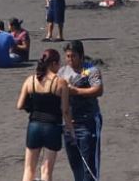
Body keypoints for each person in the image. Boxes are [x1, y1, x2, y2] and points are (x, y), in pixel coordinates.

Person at [16, 49, 73, 181]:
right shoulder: (60, 82)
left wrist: (31, 105)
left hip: (34, 126)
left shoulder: (30, 80)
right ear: (53, 64)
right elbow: (65, 110)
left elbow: (19, 105)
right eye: (58, 64)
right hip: (52, 127)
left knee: (29, 169)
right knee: (46, 170)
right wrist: (71, 129)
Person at [59, 40, 103, 181]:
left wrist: (75, 91)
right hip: (69, 123)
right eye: (68, 56)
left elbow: (98, 90)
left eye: (73, 56)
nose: (70, 60)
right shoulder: (62, 71)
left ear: (81, 56)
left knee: (89, 165)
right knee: (75, 164)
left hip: (88, 121)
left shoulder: (90, 70)